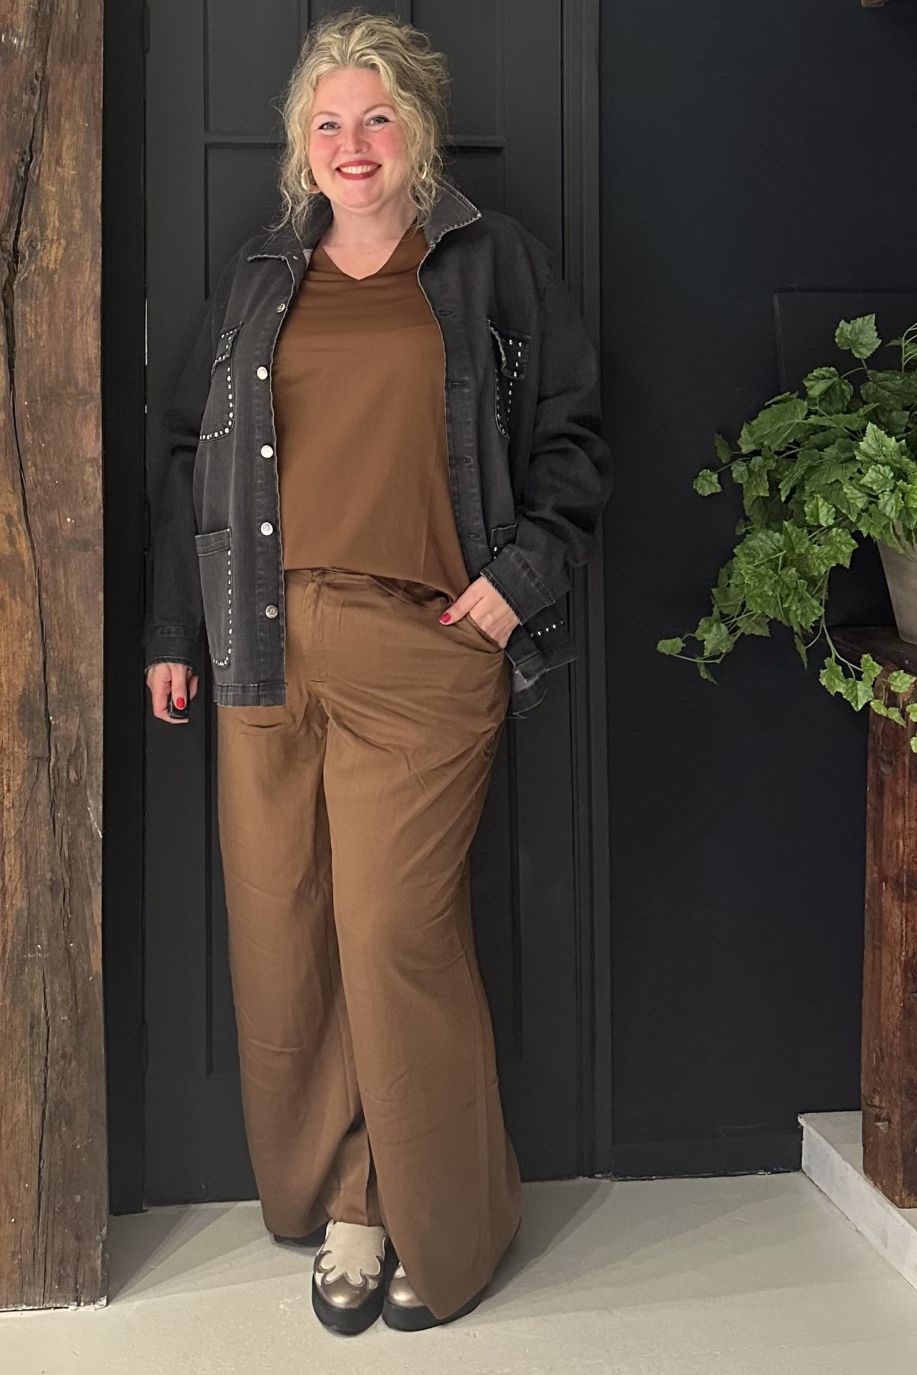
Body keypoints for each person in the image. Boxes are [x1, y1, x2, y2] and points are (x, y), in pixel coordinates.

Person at [143, 6, 612, 1339]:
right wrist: (172, 631)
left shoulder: (490, 266)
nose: (353, 143)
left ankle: (446, 1221)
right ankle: (350, 1200)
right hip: (260, 641)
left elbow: (574, 435)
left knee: (394, 933)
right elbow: (189, 455)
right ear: (303, 145)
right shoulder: (258, 278)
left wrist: (518, 580)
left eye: (377, 117)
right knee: (286, 937)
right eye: (329, 122)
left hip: (426, 647)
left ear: (419, 134)